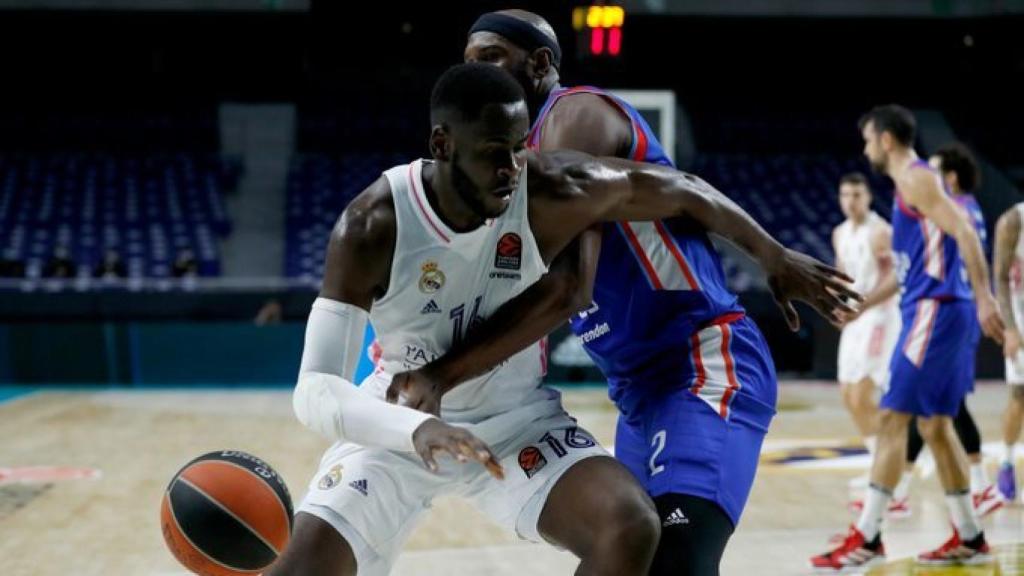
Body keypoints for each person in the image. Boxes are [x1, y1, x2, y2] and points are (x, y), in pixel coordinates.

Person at [268, 63, 855, 576]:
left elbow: (682, 191)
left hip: (518, 421)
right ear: (442, 143)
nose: (512, 168)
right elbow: (315, 389)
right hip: (403, 425)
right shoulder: (372, 225)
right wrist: (418, 429)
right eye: (494, 152)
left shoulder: (548, 188)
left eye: (521, 146)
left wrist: (772, 256)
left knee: (631, 527)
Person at [811, 105, 1005, 570]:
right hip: (938, 309)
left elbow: (965, 234)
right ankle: (971, 534)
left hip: (935, 312)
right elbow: (905, 273)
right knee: (935, 426)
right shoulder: (909, 188)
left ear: (886, 140)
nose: (864, 148)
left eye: (867, 139)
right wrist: (863, 305)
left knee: (893, 418)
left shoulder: (916, 178)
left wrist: (985, 298)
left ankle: (869, 535)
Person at [830, 172, 899, 499]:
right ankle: (879, 465)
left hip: (881, 317)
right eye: (845, 195)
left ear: (868, 197)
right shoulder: (840, 233)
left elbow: (898, 278)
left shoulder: (881, 232)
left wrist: (862, 307)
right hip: (858, 316)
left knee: (863, 395)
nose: (850, 201)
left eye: (856, 194)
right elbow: (842, 276)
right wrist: (836, 305)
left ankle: (891, 477)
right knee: (847, 394)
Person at [993, 200, 1024, 502]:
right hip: (1021, 320)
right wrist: (1011, 328)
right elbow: (1000, 277)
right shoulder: (1013, 219)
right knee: (1019, 396)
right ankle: (1006, 460)